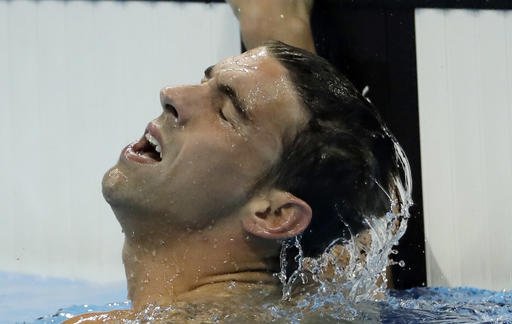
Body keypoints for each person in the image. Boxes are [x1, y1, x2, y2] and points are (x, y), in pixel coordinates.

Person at [66, 1, 404, 322]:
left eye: (225, 112)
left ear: (274, 216)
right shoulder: (329, 305)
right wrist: (267, 22)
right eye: (204, 82)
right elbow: (357, 229)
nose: (171, 93)